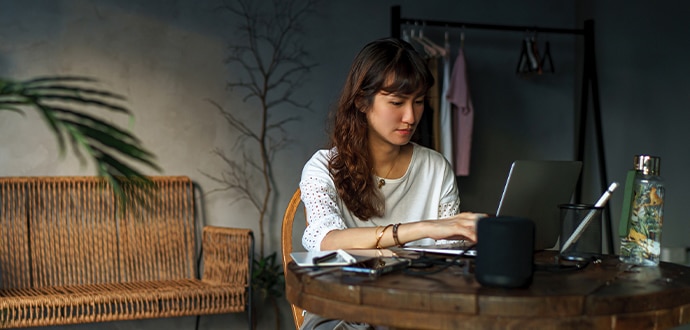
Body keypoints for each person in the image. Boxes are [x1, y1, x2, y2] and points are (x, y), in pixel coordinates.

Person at [298, 38, 484, 329]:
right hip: (343, 312)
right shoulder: (323, 167)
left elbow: (451, 261)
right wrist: (423, 229)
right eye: (397, 102)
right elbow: (326, 241)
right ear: (361, 101)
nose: (410, 117)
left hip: (416, 310)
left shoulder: (435, 168)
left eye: (419, 102)